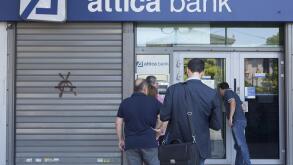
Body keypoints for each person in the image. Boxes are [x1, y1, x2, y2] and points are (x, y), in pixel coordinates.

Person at [158, 59, 222, 165]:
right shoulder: (211, 93)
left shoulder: (173, 90)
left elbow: (164, 116)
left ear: (187, 70)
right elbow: (217, 125)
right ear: (203, 72)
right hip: (199, 146)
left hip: (175, 145)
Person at [115, 79, 162, 165]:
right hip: (149, 142)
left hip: (131, 143)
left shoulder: (125, 103)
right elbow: (162, 117)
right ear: (145, 88)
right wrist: (158, 130)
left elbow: (118, 122)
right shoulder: (153, 101)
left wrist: (120, 139)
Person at [218, 82, 251, 165]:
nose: (219, 93)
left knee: (241, 145)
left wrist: (231, 118)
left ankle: (248, 163)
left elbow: (232, 102)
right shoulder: (233, 93)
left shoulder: (227, 93)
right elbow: (241, 105)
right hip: (241, 120)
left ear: (221, 89)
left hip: (237, 121)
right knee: (238, 146)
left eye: (219, 91)